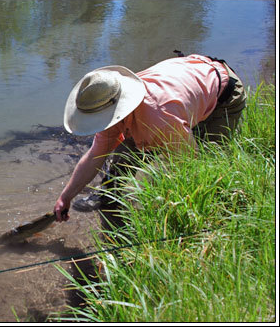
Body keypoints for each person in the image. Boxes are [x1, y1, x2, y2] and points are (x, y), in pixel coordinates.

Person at [54, 52, 246, 222]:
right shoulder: (107, 99)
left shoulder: (161, 119)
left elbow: (190, 162)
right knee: (124, 151)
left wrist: (165, 201)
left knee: (207, 164)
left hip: (223, 94)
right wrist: (65, 197)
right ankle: (109, 195)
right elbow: (95, 156)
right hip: (189, 76)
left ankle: (211, 216)